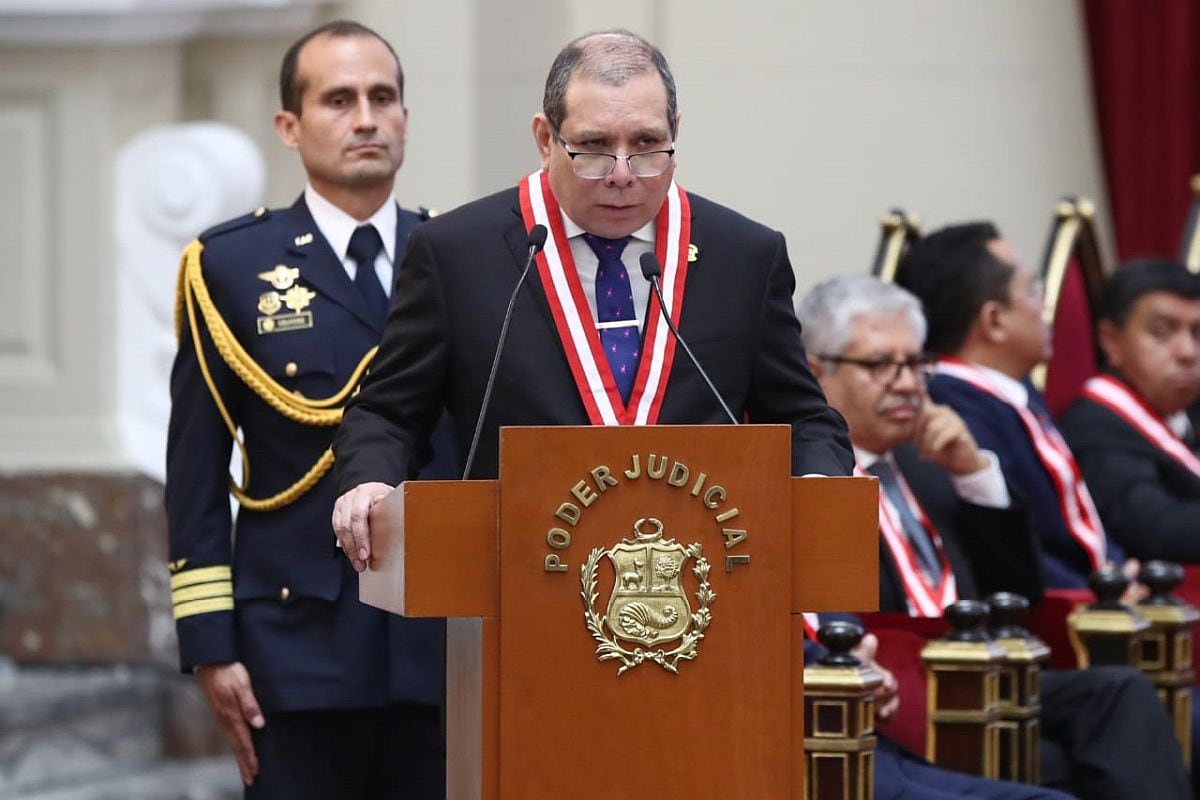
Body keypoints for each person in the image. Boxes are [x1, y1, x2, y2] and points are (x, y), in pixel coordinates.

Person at [331, 29, 853, 567]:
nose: (622, 174)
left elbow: (804, 419)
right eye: (595, 147)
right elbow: (388, 413)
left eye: (647, 144)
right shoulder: (457, 253)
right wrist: (370, 480)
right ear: (545, 139)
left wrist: (816, 485)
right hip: (520, 569)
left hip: (703, 578)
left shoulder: (744, 255)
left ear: (675, 132)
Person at [165, 20, 451, 798]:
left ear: (405, 118)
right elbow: (195, 471)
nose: (366, 119)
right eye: (339, 100)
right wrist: (210, 644)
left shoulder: (458, 255)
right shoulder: (232, 266)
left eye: (382, 98)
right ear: (289, 126)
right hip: (294, 648)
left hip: (439, 644)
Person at [798, 275, 1192, 799]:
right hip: (897, 691)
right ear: (815, 372)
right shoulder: (808, 483)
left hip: (981, 676)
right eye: (879, 365)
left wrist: (976, 475)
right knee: (1069, 764)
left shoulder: (929, 463)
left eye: (915, 363)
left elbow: (1019, 591)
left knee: (1120, 693)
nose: (907, 383)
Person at [895, 223, 1137, 593]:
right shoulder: (950, 405)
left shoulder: (1015, 390)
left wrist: (1118, 570)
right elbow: (1019, 546)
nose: (1045, 306)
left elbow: (1079, 517)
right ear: (994, 320)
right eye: (1032, 290)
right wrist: (1096, 596)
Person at [1060, 259, 1200, 562]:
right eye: (1163, 332)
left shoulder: (1188, 409)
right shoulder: (1096, 425)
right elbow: (1158, 531)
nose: (1188, 352)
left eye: (1197, 333)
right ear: (1111, 342)